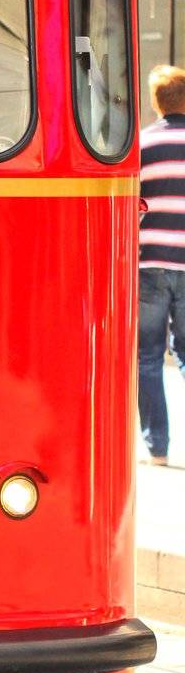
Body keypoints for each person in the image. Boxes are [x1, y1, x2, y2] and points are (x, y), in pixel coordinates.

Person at [138, 64, 185, 465]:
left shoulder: (142, 145)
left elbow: (132, 205)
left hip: (150, 264)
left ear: (157, 104)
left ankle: (157, 449)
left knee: (148, 358)